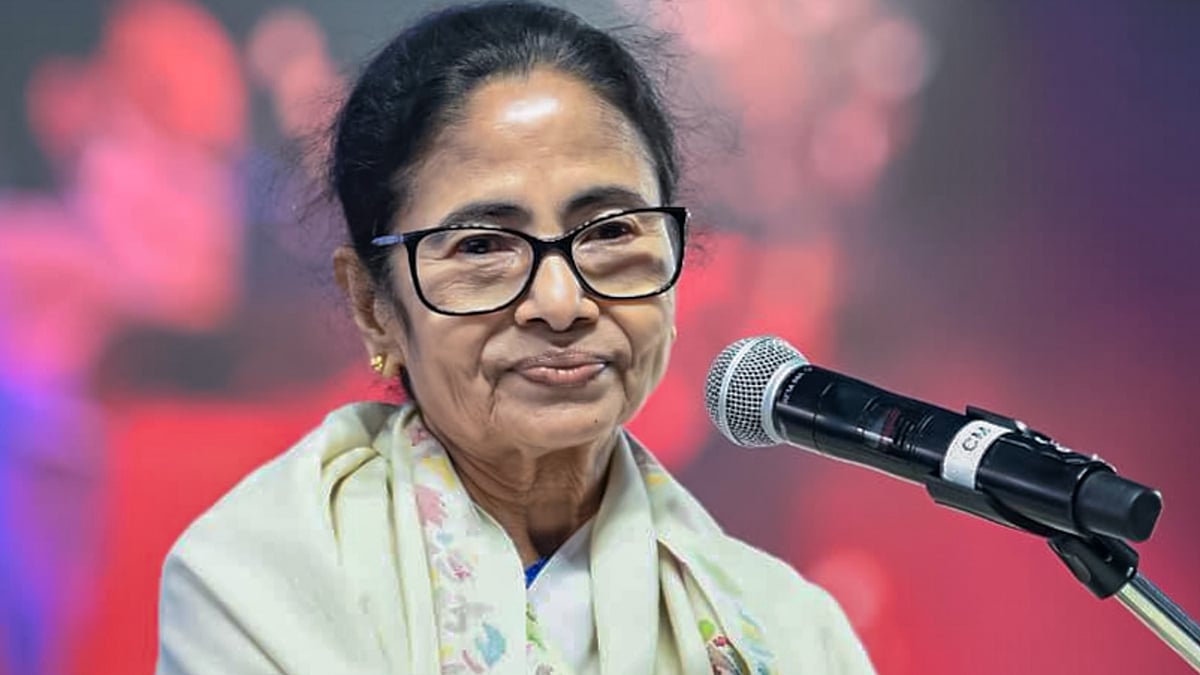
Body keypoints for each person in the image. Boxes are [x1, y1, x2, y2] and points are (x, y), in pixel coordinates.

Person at [155, 2, 874, 673]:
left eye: (613, 231)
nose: (562, 303)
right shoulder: (259, 581)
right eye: (481, 246)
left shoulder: (792, 630)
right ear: (374, 304)